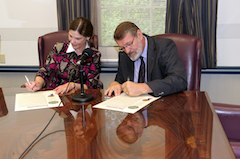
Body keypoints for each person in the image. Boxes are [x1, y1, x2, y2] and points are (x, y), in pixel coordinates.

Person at [104, 21, 187, 97]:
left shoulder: (164, 47)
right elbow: (120, 80)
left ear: (139, 35)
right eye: (122, 48)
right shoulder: (124, 55)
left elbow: (179, 80)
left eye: (129, 44)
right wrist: (115, 83)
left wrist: (144, 87)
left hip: (160, 106)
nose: (127, 51)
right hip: (132, 107)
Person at [25, 17, 101, 95]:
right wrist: (38, 83)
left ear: (87, 37)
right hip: (56, 94)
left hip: (81, 98)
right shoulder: (59, 48)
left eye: (77, 39)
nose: (72, 41)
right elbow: (45, 71)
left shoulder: (94, 55)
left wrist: (72, 85)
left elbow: (91, 86)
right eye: (70, 36)